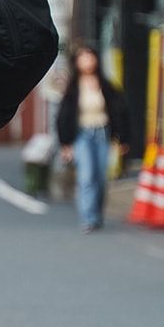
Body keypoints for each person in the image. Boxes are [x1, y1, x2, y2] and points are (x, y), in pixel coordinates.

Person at [56, 44, 130, 232]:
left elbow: (120, 111)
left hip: (102, 133)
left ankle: (97, 215)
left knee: (100, 176)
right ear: (76, 62)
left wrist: (122, 139)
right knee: (86, 176)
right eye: (82, 58)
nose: (87, 61)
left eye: (90, 57)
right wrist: (65, 144)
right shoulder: (73, 88)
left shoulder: (106, 86)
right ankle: (88, 218)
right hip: (82, 134)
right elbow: (63, 116)